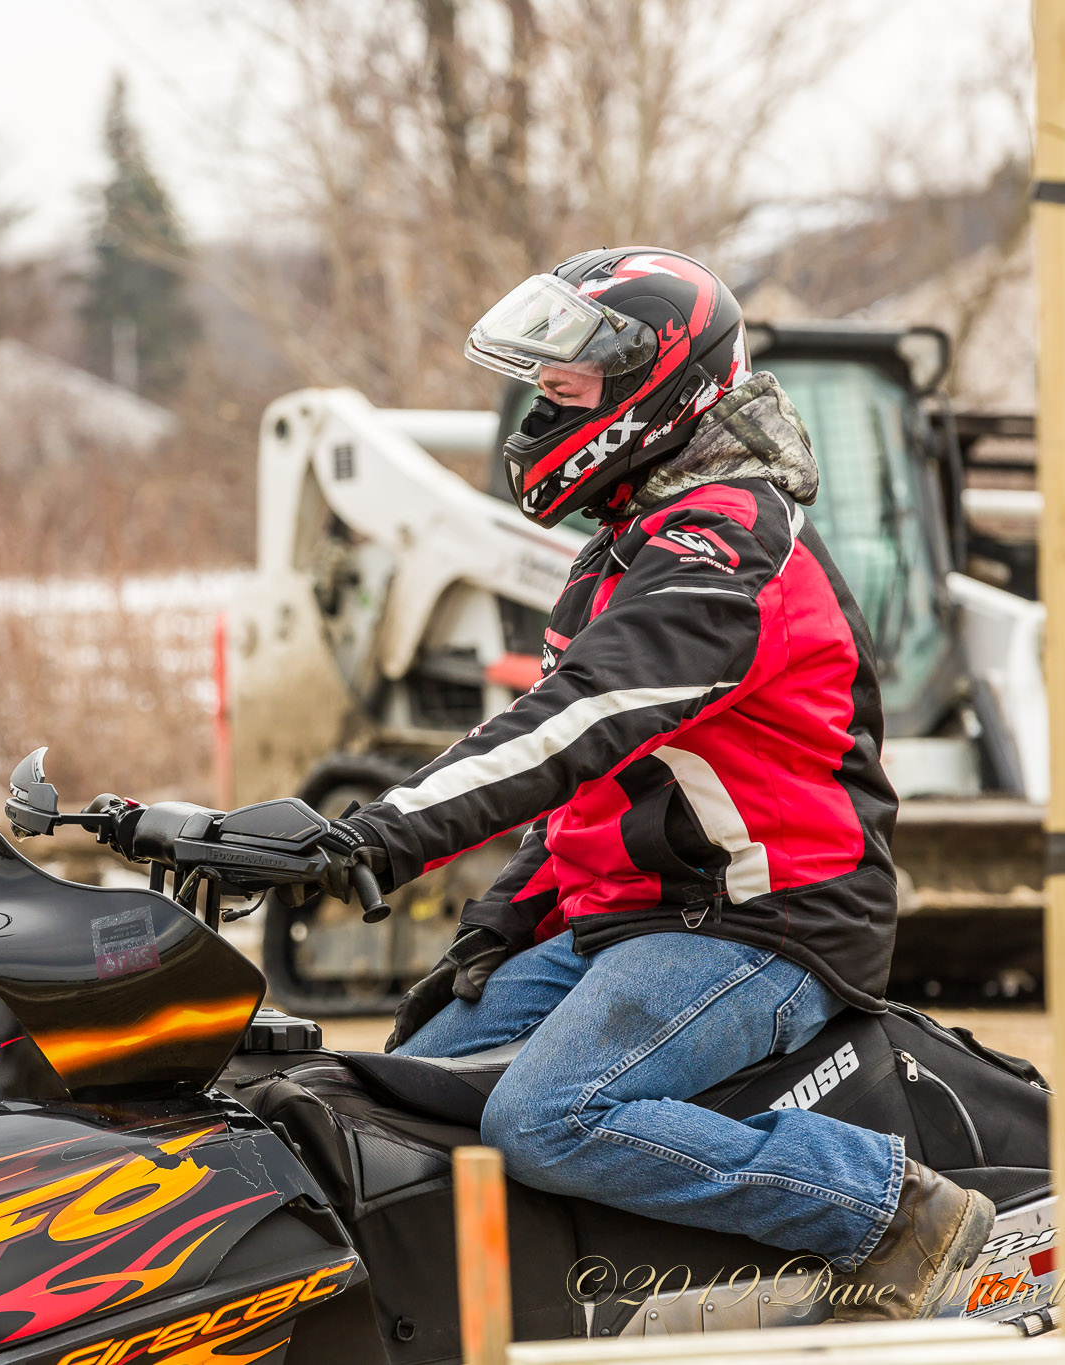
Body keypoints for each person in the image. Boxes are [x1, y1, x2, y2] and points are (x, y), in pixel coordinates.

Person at [320, 247, 994, 1319]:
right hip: (638, 919)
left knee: (545, 1117)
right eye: (541, 386)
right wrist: (504, 922)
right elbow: (595, 790)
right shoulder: (623, 549)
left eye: (567, 385)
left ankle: (887, 1209)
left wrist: (375, 833)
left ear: (655, 385)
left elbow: (579, 720)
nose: (544, 410)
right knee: (387, 1095)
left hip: (765, 921)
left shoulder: (727, 543)